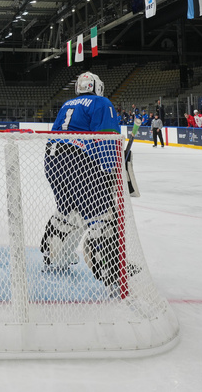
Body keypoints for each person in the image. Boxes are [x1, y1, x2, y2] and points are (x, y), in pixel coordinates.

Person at [40, 71, 124, 288]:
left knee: (69, 211)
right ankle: (109, 270)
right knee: (103, 215)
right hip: (78, 162)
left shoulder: (68, 103)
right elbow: (106, 138)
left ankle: (55, 257)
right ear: (96, 86)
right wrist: (109, 171)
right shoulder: (101, 102)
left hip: (53, 161)